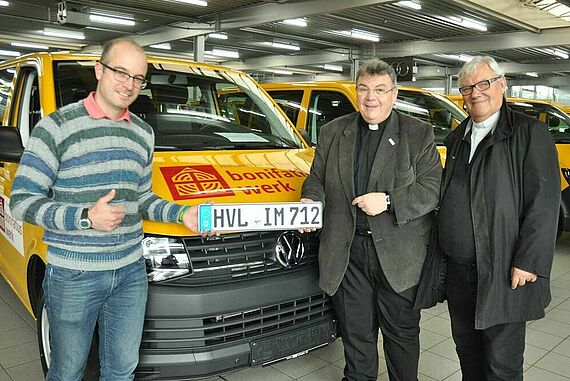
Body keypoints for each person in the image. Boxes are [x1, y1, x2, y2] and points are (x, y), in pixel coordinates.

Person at [9, 38, 208, 380]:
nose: (128, 84)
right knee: (67, 371)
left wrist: (181, 214)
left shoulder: (142, 134)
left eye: (137, 78)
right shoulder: (57, 127)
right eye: (120, 72)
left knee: (121, 370)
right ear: (99, 70)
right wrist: (85, 217)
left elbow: (141, 199)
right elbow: (22, 201)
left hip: (131, 272)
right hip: (74, 273)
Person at [300, 58, 442, 381]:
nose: (371, 98)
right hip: (349, 258)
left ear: (394, 94)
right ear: (356, 91)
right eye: (363, 89)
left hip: (398, 260)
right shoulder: (333, 132)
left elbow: (432, 190)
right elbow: (316, 180)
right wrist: (311, 200)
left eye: (379, 90)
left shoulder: (418, 134)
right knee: (357, 346)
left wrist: (390, 201)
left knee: (401, 345)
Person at [437, 56, 560, 380]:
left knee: (501, 364)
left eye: (483, 84)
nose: (475, 92)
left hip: (503, 269)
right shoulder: (459, 138)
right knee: (469, 356)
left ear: (502, 84)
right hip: (461, 274)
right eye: (467, 87)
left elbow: (544, 202)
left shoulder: (528, 132)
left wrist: (529, 260)